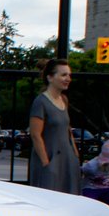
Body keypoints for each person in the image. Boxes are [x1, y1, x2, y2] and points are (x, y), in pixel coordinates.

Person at [28, 59, 80, 194]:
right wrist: (46, 162)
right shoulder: (40, 102)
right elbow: (35, 135)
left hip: (67, 159)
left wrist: (75, 155)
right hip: (50, 159)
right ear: (50, 77)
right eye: (63, 75)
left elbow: (67, 129)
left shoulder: (64, 99)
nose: (68, 78)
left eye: (69, 75)